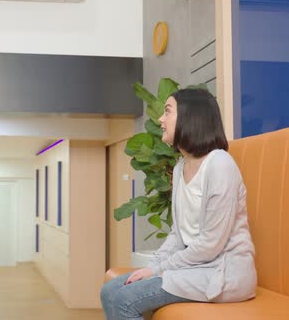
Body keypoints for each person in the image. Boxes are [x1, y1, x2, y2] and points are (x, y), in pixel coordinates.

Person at [100, 88, 257, 319]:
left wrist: (157, 270)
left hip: (222, 272)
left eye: (167, 112)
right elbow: (177, 233)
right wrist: (153, 265)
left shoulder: (220, 165)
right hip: (195, 268)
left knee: (125, 299)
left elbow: (210, 244)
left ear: (190, 117)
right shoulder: (181, 167)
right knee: (110, 291)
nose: (160, 120)